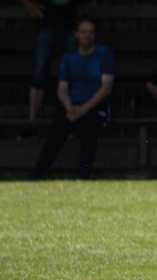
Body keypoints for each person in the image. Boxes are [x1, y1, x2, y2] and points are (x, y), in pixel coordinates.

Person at [11, 0, 104, 133]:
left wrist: (93, 2)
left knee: (74, 72)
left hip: (72, 27)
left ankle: (73, 119)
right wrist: (30, 4)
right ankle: (33, 122)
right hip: (47, 25)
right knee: (39, 72)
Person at [30, 17, 114, 180]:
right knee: (55, 134)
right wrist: (69, 107)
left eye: (91, 32)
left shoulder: (104, 54)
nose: (87, 35)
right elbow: (62, 88)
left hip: (96, 104)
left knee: (89, 131)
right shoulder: (68, 57)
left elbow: (106, 88)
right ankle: (36, 175)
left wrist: (83, 110)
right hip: (72, 105)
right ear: (76, 34)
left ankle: (83, 175)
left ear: (95, 35)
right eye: (83, 32)